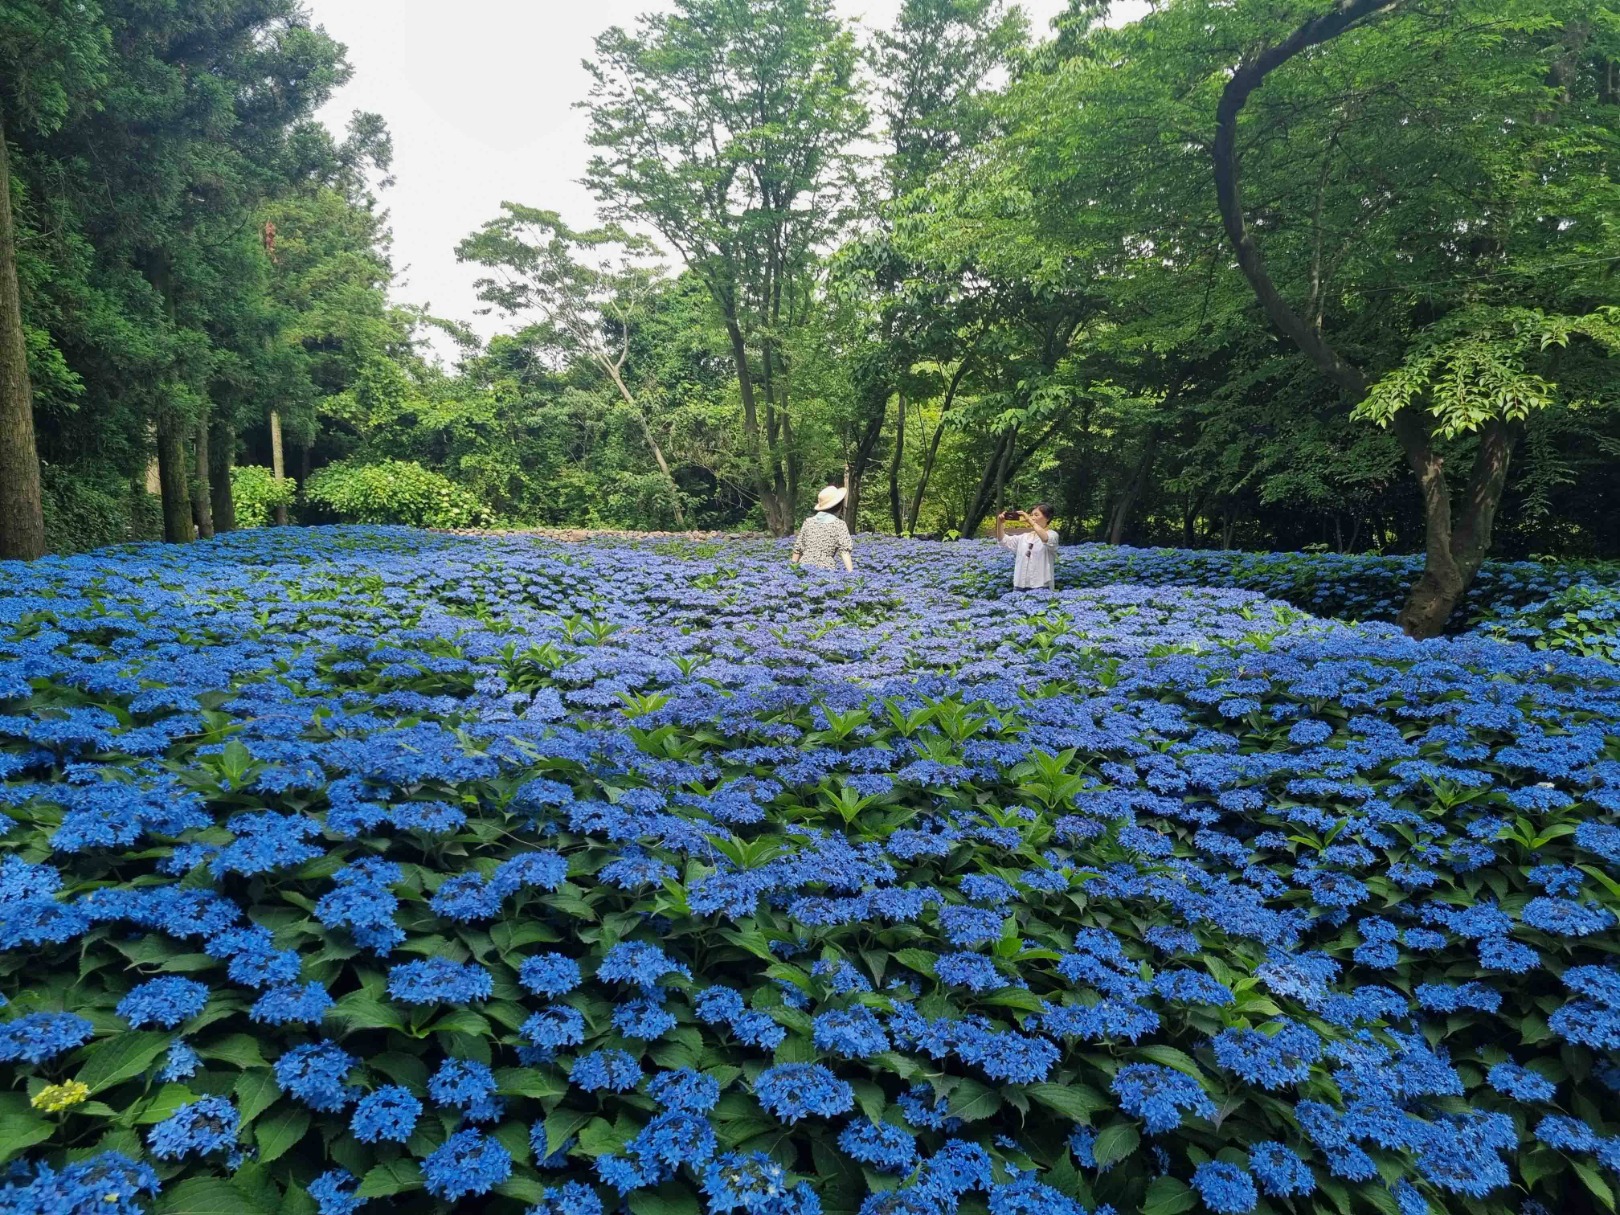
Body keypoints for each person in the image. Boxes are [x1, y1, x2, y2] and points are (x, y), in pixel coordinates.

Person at [994, 502, 1058, 589]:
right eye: (1031, 515)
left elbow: (1045, 539)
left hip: (1041, 586)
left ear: (1048, 518)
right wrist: (1000, 523)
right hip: (1020, 585)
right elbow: (1003, 541)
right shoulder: (1025, 536)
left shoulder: (1052, 535)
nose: (1032, 517)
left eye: (1036, 515)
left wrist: (1030, 521)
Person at [791, 485, 855, 572]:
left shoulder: (808, 522)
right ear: (839, 505)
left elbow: (797, 550)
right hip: (826, 570)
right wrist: (851, 574)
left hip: (804, 569)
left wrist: (791, 570)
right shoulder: (839, 525)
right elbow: (845, 552)